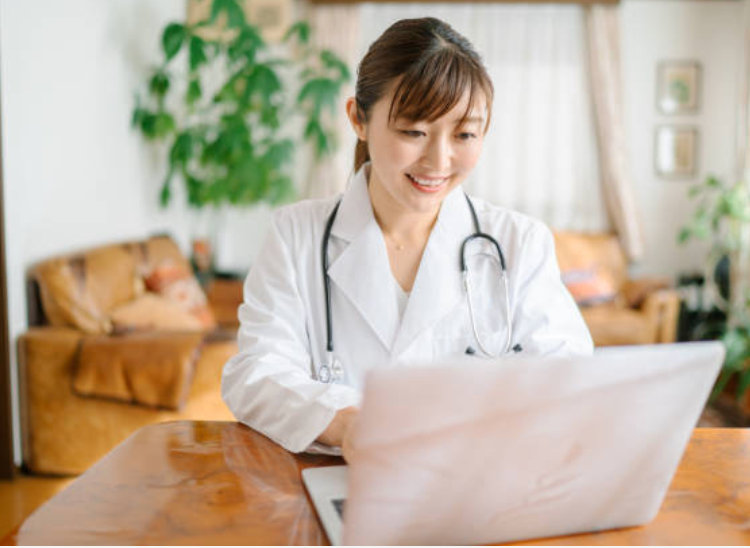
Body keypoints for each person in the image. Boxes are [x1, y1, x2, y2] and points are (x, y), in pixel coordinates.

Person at [221, 17, 593, 462]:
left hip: (478, 485)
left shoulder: (519, 243)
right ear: (359, 118)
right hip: (341, 483)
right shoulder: (296, 235)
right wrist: (346, 424)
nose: (438, 160)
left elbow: (568, 376)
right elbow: (257, 373)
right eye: (413, 132)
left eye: (465, 135)